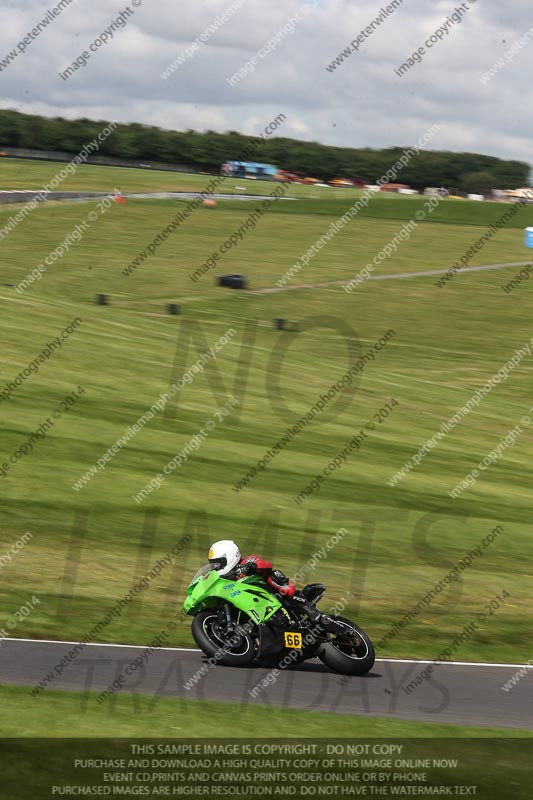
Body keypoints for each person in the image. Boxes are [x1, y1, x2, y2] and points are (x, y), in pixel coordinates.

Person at [207, 539, 348, 636]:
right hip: (255, 607)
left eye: (218, 564)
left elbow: (266, 564)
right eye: (213, 565)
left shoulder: (247, 561)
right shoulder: (224, 579)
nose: (216, 567)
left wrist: (251, 566)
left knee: (273, 574)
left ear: (231, 556)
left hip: (274, 596)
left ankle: (307, 608)